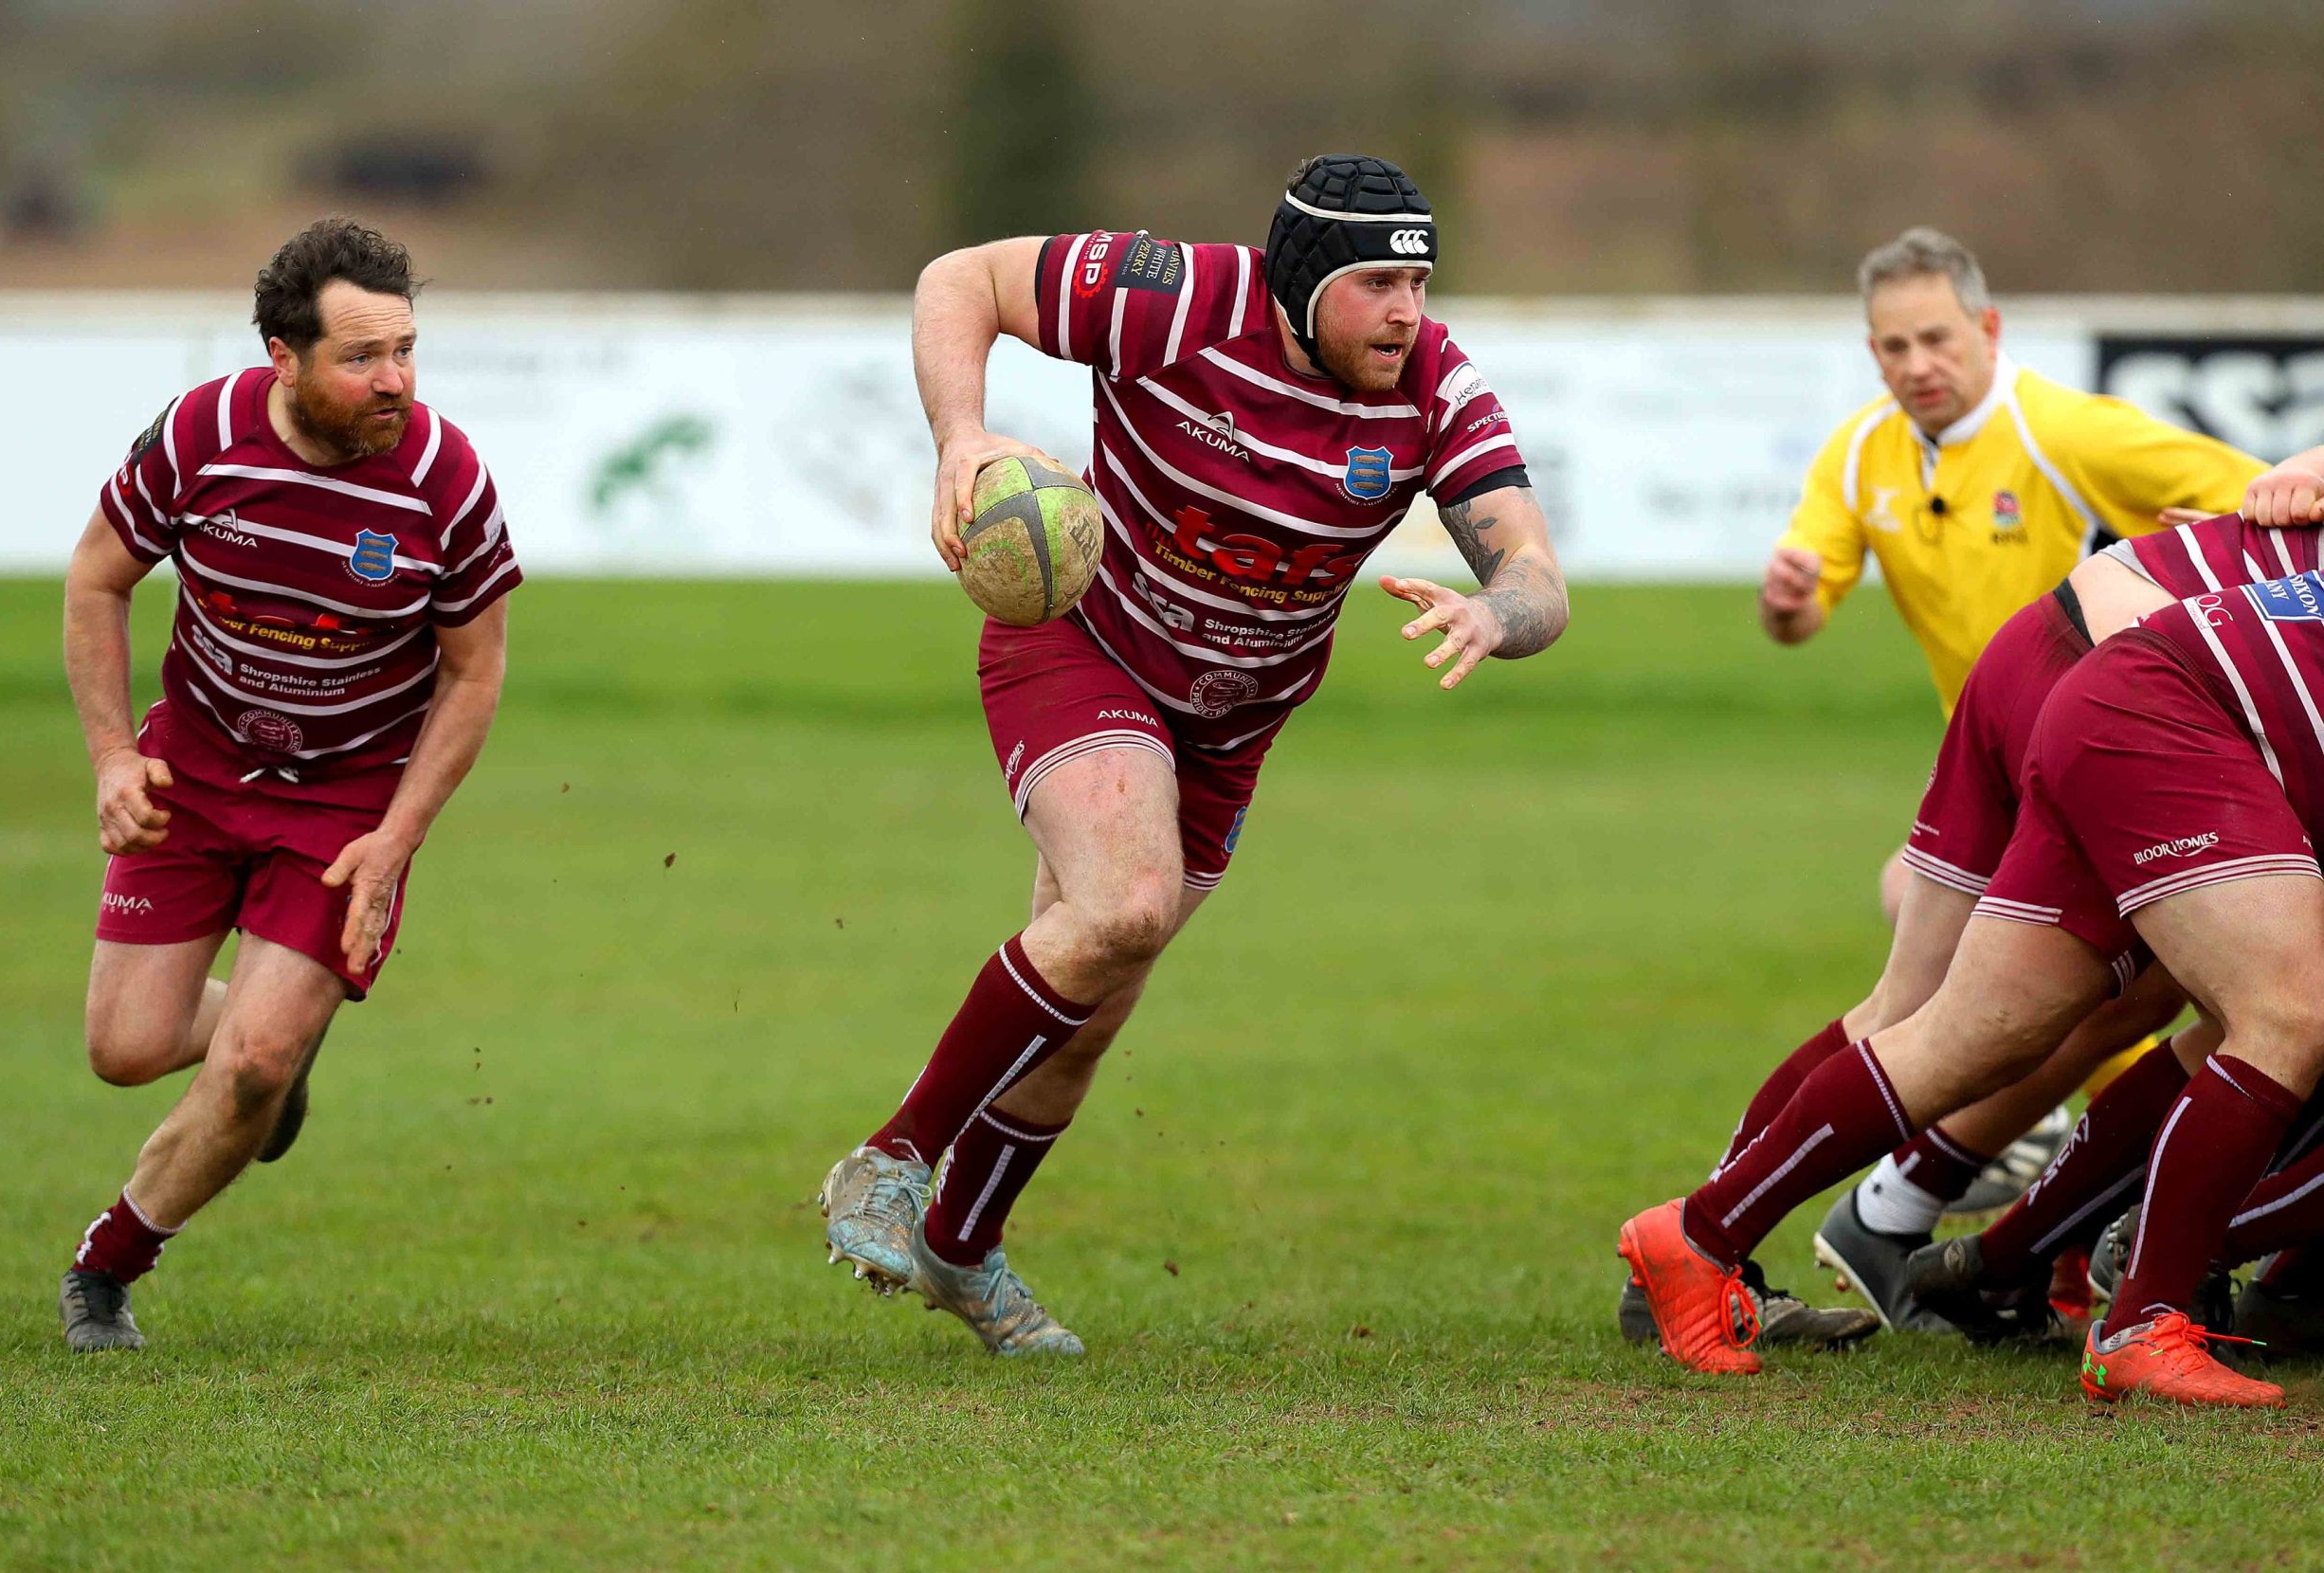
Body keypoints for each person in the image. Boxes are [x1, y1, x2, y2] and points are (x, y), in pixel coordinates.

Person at [814, 154, 1570, 1355]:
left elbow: (1535, 573)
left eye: (1420, 283)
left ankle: (961, 1246)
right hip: (1086, 648)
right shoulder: (1171, 297)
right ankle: (894, 1160)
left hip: (1231, 725)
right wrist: (959, 438)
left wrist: (1497, 611)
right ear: (1302, 280)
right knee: (1129, 906)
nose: (1406, 312)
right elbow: (962, 279)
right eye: (1378, 284)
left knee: (1089, 1003)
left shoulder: (1434, 384)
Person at [1625, 534, 2324, 1406]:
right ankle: (2130, 1306)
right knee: (2285, 1015)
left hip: (2114, 690)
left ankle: (1700, 1235)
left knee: (1968, 1029)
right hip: (2163, 709)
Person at [1729, 228, 2265, 1321]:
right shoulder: (1859, 455)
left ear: (1986, 329)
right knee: (2087, 1004)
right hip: (2002, 774)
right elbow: (1804, 604)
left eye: (1935, 338)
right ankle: (1835, 1218)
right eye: (1892, 347)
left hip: (2095, 769)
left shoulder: (2067, 431)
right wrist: (1787, 604)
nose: (1916, 364)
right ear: (1871, 354)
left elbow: (2267, 503)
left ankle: (1993, 1238)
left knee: (2119, 1000)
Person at [57, 218, 518, 1351]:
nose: (395, 380)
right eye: (362, 358)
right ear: (283, 357)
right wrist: (113, 756)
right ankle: (273, 1034)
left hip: (345, 804)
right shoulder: (200, 436)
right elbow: (97, 578)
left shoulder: (445, 478)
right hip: (194, 770)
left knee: (253, 1066)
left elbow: (473, 673)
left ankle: (107, 1268)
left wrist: (398, 839)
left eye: (405, 350)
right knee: (125, 1049)